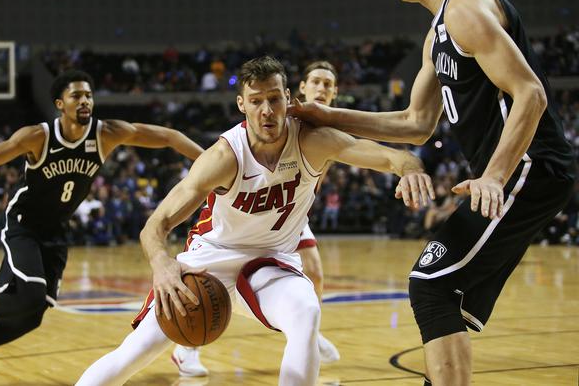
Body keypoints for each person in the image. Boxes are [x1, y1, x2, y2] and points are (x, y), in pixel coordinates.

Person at [288, 0, 576, 384]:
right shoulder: (436, 33)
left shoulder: (465, 9)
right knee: (444, 294)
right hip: (517, 173)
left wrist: (495, 176)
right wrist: (327, 115)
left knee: (431, 285)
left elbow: (531, 94)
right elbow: (415, 124)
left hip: (530, 166)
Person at [76, 56, 434, 386]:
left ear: (288, 99)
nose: (267, 110)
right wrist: (161, 265)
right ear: (242, 105)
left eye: (275, 99)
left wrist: (410, 169)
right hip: (209, 262)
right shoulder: (224, 156)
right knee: (134, 353)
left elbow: (391, 156)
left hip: (271, 262)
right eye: (257, 100)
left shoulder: (312, 140)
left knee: (306, 312)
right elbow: (156, 224)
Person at [0, 69, 204, 386]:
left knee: (31, 317)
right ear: (61, 103)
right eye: (76, 96)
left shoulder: (106, 133)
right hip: (24, 224)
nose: (85, 101)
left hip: (56, 231)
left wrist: (209, 160)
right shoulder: (39, 136)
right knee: (30, 295)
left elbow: (168, 137)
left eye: (88, 95)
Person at [171, 60, 342, 377]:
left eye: (328, 84)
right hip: (251, 203)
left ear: (335, 92)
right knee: (209, 278)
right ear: (299, 91)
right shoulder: (281, 118)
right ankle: (186, 345)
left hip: (288, 207)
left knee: (314, 273)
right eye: (315, 82)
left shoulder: (329, 128)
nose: (322, 89)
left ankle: (306, 330)